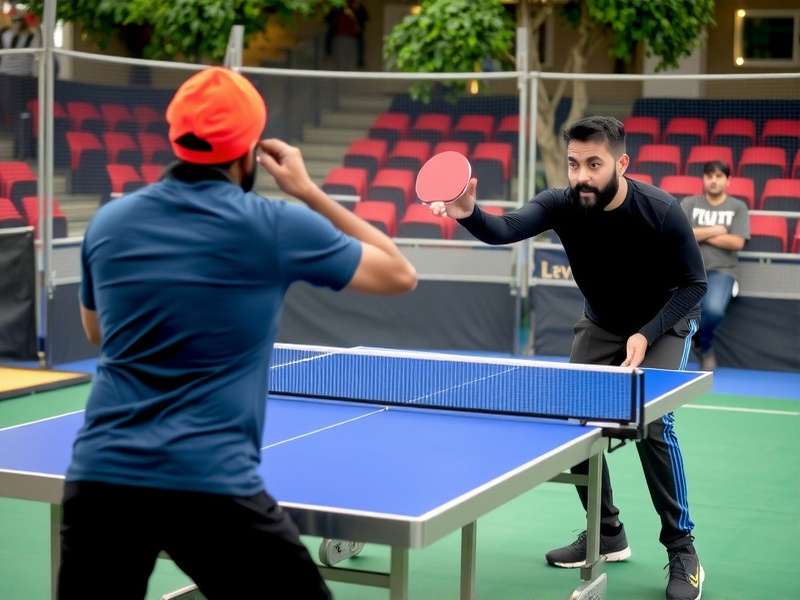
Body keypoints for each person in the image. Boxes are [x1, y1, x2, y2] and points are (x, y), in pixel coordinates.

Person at [60, 67, 417, 600]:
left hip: (102, 479)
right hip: (209, 484)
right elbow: (399, 273)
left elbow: (97, 333)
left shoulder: (110, 222)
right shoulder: (273, 225)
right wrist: (307, 190)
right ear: (249, 152)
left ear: (175, 137)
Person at [431, 116, 707, 600]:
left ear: (621, 163)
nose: (581, 175)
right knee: (576, 417)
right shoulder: (562, 203)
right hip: (602, 324)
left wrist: (647, 332)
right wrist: (469, 211)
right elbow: (505, 228)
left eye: (594, 164)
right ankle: (606, 532)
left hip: (664, 321)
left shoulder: (662, 211)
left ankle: (682, 547)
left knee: (652, 420)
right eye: (574, 163)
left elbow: (695, 286)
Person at [680, 160, 750, 371]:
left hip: (723, 270)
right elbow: (682, 235)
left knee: (713, 310)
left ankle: (704, 345)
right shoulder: (690, 203)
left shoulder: (738, 207)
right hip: (690, 269)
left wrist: (699, 233)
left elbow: (736, 242)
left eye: (719, 176)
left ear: (728, 180)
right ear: (704, 178)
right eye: (709, 176)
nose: (713, 180)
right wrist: (716, 230)